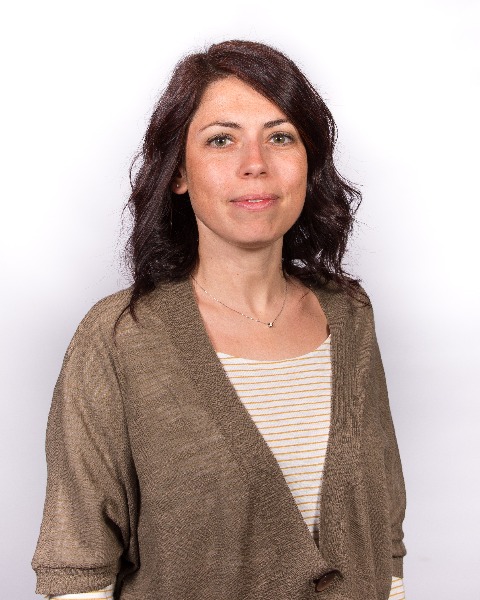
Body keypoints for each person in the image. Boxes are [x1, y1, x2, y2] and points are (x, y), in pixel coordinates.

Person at [32, 40, 406, 600]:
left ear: (309, 163)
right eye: (221, 139)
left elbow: (384, 538)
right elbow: (76, 568)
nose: (255, 163)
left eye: (280, 137)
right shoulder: (118, 337)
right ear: (179, 173)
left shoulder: (350, 317)